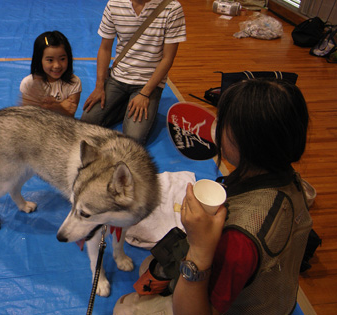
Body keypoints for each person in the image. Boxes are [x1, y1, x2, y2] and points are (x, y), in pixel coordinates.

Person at [114, 78, 313, 314]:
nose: (215, 125)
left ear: (249, 143)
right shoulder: (294, 182)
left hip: (231, 304)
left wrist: (199, 249)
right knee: (151, 265)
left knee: (124, 308)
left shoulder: (238, 240)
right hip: (274, 296)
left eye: (224, 122)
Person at [81, 0, 186, 144]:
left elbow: (167, 59)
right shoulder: (114, 4)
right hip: (118, 77)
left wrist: (145, 93)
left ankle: (136, 105)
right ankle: (126, 104)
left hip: (148, 83)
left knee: (133, 139)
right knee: (87, 122)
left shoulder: (172, 8)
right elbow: (105, 48)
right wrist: (99, 86)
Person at [20, 30, 81, 117]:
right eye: (50, 60)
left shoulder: (74, 82)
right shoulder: (29, 83)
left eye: (62, 59)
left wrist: (53, 107)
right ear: (39, 60)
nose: (57, 65)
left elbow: (70, 116)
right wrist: (60, 106)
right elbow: (28, 118)